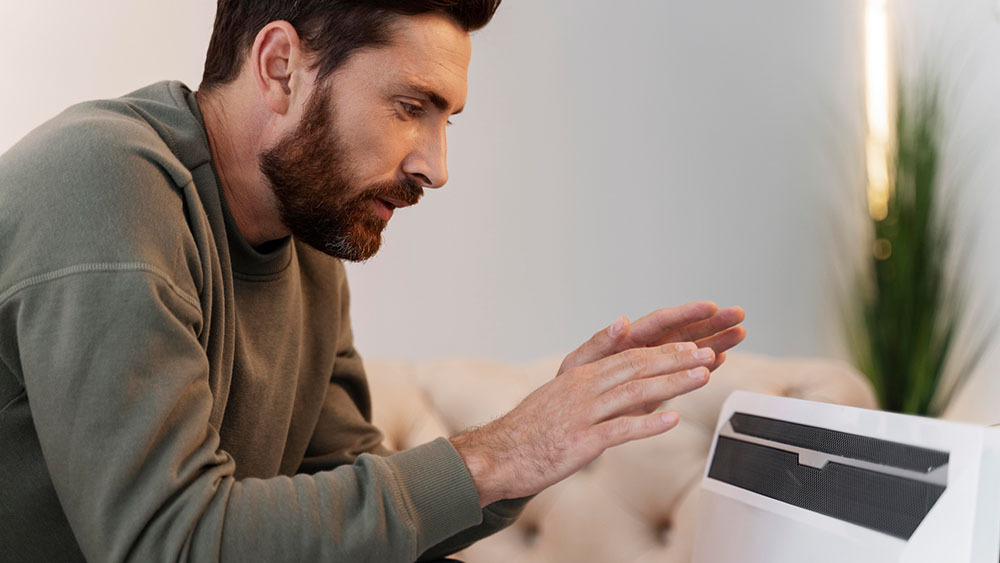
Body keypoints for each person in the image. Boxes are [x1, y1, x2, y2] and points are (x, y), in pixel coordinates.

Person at [0, 1, 746, 561]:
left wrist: (546, 439)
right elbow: (165, 540)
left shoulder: (309, 246)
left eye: (446, 118)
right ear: (280, 67)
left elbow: (361, 513)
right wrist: (498, 452)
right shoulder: (102, 182)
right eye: (410, 107)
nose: (435, 165)